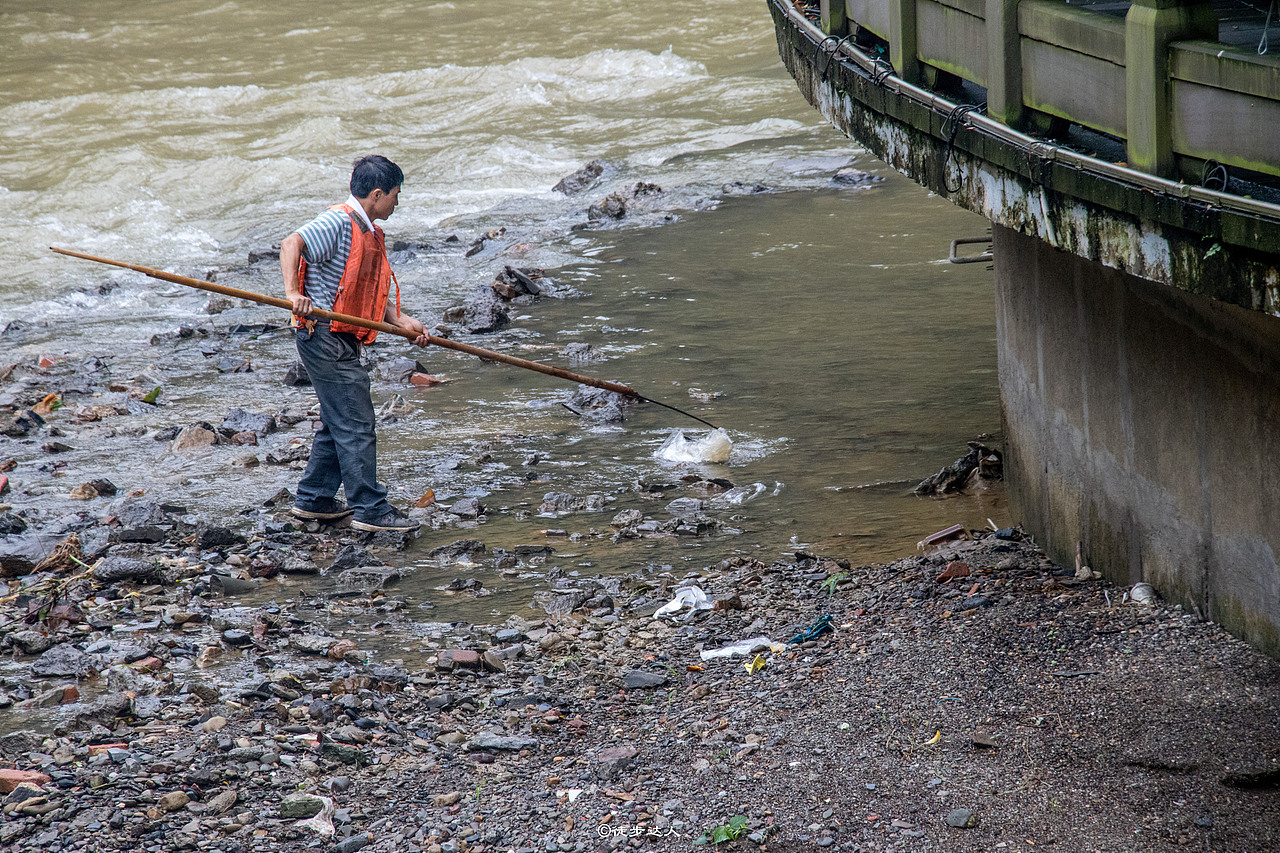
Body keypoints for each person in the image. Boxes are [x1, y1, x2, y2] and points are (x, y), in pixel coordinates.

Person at [280, 154, 429, 532]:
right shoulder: (337, 222)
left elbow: (367, 290)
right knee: (356, 422)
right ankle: (370, 509)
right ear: (377, 194)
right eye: (396, 194)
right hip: (322, 335)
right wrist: (294, 293)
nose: (397, 202)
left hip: (339, 336)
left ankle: (315, 499)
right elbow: (289, 244)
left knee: (339, 419)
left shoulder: (367, 229)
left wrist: (403, 321)